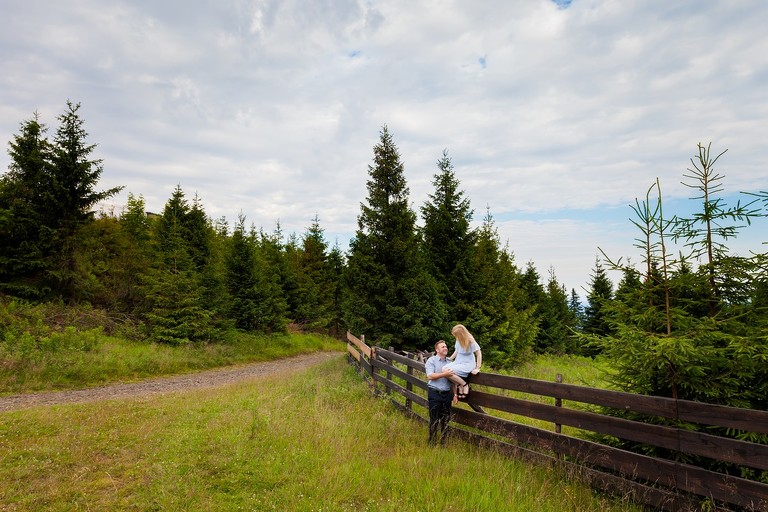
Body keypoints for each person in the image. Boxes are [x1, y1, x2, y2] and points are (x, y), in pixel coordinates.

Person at [425, 339, 457, 445]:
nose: (446, 348)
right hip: (435, 393)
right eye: (443, 347)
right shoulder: (432, 360)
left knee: (446, 419)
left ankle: (444, 442)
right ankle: (432, 442)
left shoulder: (450, 363)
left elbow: (453, 381)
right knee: (434, 419)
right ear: (437, 350)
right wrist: (444, 374)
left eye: (446, 346)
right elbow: (430, 376)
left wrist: (455, 394)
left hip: (447, 394)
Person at [442, 324, 482, 399]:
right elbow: (457, 351)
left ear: (461, 334)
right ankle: (460, 384)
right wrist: (450, 359)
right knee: (444, 369)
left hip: (467, 363)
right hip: (458, 361)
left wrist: (478, 368)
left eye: (456, 335)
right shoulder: (458, 339)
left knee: (447, 371)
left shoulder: (470, 340)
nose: (455, 337)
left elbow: (479, 353)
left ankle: (464, 385)